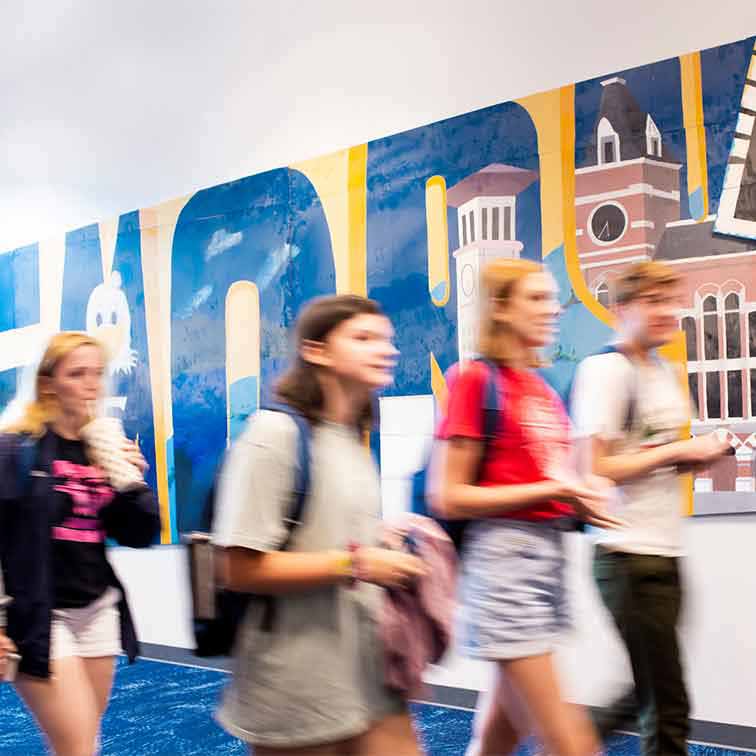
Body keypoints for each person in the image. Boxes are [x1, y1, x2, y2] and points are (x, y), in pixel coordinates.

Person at [212, 294, 426, 756]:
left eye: (386, 339)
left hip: (367, 672)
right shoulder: (275, 435)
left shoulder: (351, 437)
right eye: (363, 338)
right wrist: (358, 563)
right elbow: (239, 569)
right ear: (316, 350)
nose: (385, 349)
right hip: (297, 683)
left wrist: (382, 539)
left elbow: (328, 534)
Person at [430, 258, 623, 756]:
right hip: (505, 569)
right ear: (501, 309)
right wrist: (551, 493)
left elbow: (547, 481)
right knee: (572, 744)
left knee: (500, 735)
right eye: (535, 298)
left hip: (547, 563)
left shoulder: (540, 390)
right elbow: (448, 495)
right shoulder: (474, 380)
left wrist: (580, 502)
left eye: (551, 297)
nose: (552, 308)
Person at [571, 261, 731, 756]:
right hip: (625, 553)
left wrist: (698, 456)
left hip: (664, 550)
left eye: (671, 299)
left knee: (644, 692)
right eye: (654, 302)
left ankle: (563, 745)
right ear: (621, 310)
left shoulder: (663, 373)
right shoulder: (604, 372)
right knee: (666, 706)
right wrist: (679, 452)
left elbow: (655, 462)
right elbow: (593, 469)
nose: (669, 311)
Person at [0, 331, 160, 756]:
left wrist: (131, 483)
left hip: (97, 609)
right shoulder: (17, 449)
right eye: (77, 374)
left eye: (97, 374)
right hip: (41, 615)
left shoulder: (101, 448)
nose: (91, 384)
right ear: (49, 383)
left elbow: (141, 535)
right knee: (78, 748)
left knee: (82, 742)